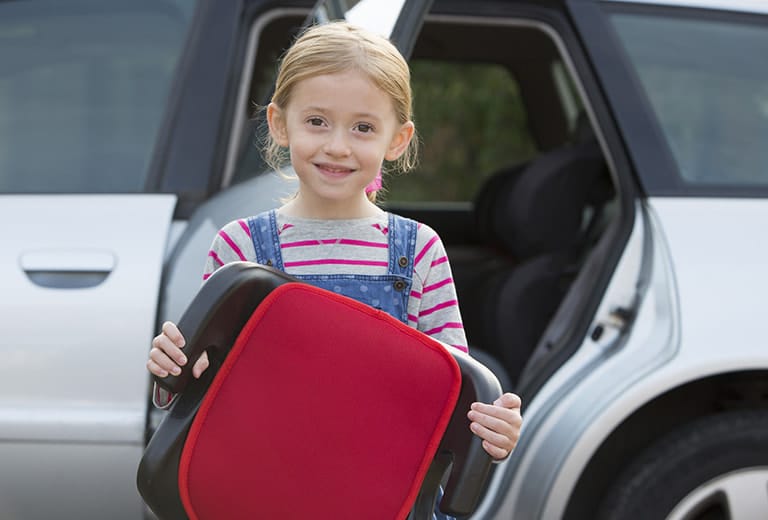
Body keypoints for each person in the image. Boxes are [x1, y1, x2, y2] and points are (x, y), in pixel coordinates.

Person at [146, 21, 522, 518]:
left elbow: (450, 390)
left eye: (363, 127)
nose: (338, 146)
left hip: (381, 493)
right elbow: (193, 393)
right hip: (263, 489)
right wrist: (172, 366)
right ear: (280, 124)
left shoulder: (418, 250)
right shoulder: (240, 248)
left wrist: (495, 427)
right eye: (317, 121)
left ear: (398, 139)